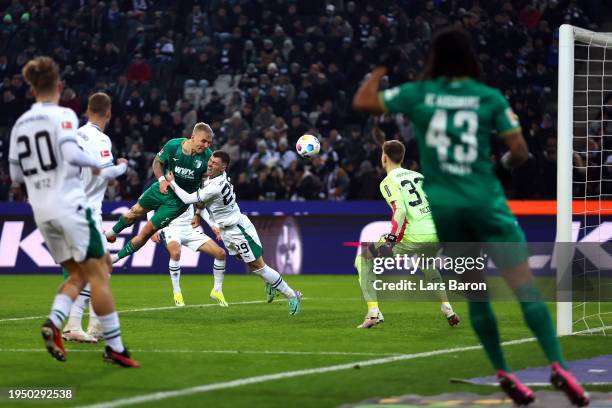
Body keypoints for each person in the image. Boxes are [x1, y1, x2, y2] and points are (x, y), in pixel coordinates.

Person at [353, 28, 588, 406]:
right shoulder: (488, 97)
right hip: (485, 201)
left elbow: (364, 100)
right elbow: (520, 151)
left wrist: (384, 67)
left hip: (448, 210)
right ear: (470, 59)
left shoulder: (419, 95)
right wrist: (507, 163)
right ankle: (559, 367)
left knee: (477, 298)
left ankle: (503, 371)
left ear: (434, 59)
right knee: (525, 288)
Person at [8, 57, 139, 367]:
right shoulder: (65, 117)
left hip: (41, 210)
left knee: (82, 272)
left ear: (31, 88)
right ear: (60, 86)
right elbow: (72, 155)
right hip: (73, 207)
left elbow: (15, 178)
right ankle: (113, 346)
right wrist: (112, 168)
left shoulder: (19, 124)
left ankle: (58, 322)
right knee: (100, 273)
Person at [167, 151, 302, 315]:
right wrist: (197, 214)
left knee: (258, 266)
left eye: (215, 163)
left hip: (236, 230)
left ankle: (291, 295)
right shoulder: (213, 178)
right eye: (210, 161)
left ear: (223, 167)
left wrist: (172, 182)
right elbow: (202, 200)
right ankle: (271, 282)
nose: (210, 164)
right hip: (228, 229)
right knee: (246, 260)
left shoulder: (215, 186)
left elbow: (189, 199)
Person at [355, 140, 459, 329]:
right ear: (401, 157)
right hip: (435, 233)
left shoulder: (388, 181)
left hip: (412, 235)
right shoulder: (418, 176)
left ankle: (373, 313)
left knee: (363, 260)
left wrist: (392, 238)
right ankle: (447, 308)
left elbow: (400, 210)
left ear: (384, 157)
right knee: (427, 264)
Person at [62, 92, 128, 343]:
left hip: (67, 207)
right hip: (86, 211)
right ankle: (74, 325)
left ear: (87, 110)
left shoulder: (72, 135)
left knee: (101, 266)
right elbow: (105, 173)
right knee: (96, 269)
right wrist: (123, 165)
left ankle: (96, 326)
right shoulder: (100, 139)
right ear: (108, 113)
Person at [106, 122, 214, 263]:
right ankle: (110, 234)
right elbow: (157, 162)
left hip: (177, 204)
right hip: (161, 188)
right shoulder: (173, 145)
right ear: (193, 136)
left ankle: (114, 259)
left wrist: (199, 213)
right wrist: (162, 180)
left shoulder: (208, 157)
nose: (206, 145)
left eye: (209, 143)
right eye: (203, 141)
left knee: (146, 232)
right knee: (135, 211)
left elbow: (206, 187)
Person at [150, 205, 228, 307]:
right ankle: (177, 293)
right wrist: (152, 229)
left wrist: (212, 225)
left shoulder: (192, 189)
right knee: (175, 253)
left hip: (189, 229)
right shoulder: (165, 189)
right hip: (170, 228)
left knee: (220, 253)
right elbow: (150, 208)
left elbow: (201, 206)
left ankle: (217, 290)